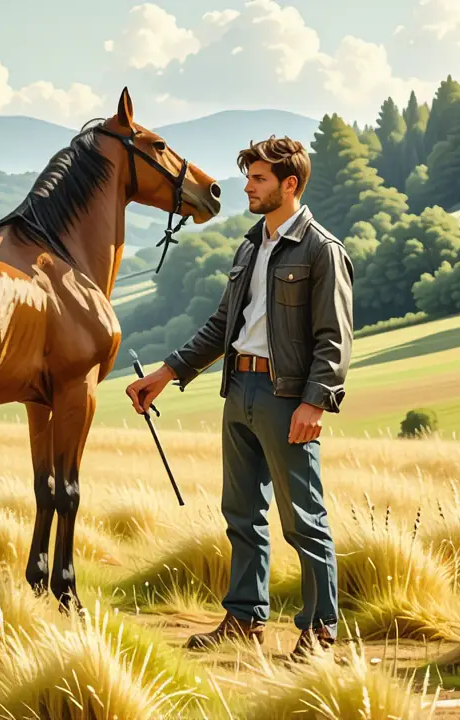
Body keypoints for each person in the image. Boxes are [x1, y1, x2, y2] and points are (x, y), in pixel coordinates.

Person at [125, 135, 355, 661]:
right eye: (248, 177)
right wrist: (165, 374)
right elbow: (221, 326)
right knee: (241, 513)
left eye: (259, 179)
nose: (247, 187)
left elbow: (334, 340)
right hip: (240, 390)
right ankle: (245, 619)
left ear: (289, 184)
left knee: (303, 519)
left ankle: (320, 632)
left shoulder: (323, 251)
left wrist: (314, 403)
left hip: (286, 397)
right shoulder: (250, 246)